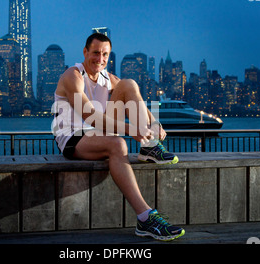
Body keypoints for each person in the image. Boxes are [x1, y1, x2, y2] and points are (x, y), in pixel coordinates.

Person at [52, 33, 184, 241]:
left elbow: (135, 98)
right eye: (96, 53)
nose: (100, 59)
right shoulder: (73, 76)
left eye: (105, 54)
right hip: (74, 137)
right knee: (118, 144)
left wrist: (153, 123)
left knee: (129, 84)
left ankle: (149, 147)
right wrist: (132, 130)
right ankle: (145, 217)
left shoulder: (108, 78)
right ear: (85, 52)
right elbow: (89, 115)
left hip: (99, 133)